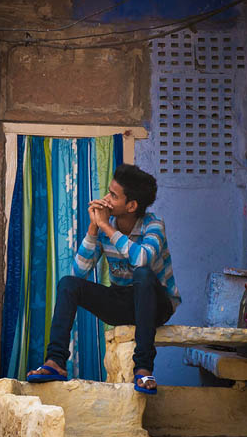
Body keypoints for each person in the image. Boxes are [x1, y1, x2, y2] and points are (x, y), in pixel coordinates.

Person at [25, 164, 181, 394]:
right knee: (68, 284)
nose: (106, 199)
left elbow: (143, 259)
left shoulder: (153, 224)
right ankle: (55, 361)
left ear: (131, 206)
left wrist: (106, 227)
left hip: (156, 304)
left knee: (142, 274)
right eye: (109, 192)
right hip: (122, 301)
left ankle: (144, 368)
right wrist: (93, 228)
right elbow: (78, 273)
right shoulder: (105, 229)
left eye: (113, 195)